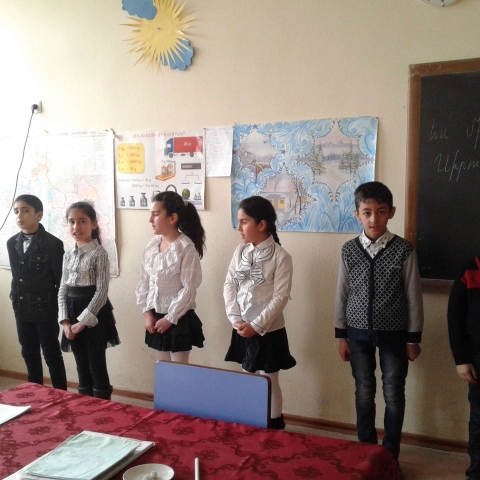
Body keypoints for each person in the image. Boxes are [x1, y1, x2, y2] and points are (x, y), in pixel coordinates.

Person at [334, 181, 424, 459]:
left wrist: (413, 339)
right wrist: (341, 336)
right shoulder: (349, 250)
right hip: (357, 335)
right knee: (364, 392)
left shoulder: (403, 250)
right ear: (357, 214)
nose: (374, 219)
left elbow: (413, 296)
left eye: (381, 212)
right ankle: (367, 452)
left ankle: (389, 455)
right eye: (367, 212)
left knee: (393, 393)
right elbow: (342, 293)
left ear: (391, 212)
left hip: (394, 335)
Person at [224, 195, 296, 430]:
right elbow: (230, 284)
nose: (239, 228)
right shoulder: (240, 251)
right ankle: (251, 421)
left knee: (269, 378)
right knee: (247, 376)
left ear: (262, 224)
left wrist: (256, 326)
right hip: (242, 326)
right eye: (238, 221)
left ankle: (274, 424)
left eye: (244, 221)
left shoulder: (281, 257)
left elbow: (280, 298)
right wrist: (235, 318)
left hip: (268, 330)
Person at [58, 201, 119, 399]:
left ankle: (102, 407)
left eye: (82, 221)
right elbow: (63, 289)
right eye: (72, 221)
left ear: (93, 224)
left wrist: (82, 322)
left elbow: (101, 292)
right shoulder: (68, 255)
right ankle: (84, 407)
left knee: (96, 365)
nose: (76, 227)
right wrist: (65, 322)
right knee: (81, 366)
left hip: (94, 314)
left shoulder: (99, 253)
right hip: (71, 312)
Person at [136, 191, 205, 364]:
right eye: (150, 214)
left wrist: (170, 318)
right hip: (156, 316)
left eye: (155, 214)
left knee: (179, 372)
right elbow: (144, 282)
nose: (150, 220)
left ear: (172, 218)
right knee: (163, 368)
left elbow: (189, 290)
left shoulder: (185, 248)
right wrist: (147, 313)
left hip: (178, 318)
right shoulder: (152, 246)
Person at [7, 194, 67, 390]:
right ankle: (35, 392)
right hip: (22, 307)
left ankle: (61, 393)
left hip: (45, 308)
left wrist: (61, 310)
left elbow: (60, 281)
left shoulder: (53, 244)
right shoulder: (12, 242)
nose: (19, 216)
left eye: (25, 211)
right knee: (28, 352)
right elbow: (17, 276)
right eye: (16, 211)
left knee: (51, 352)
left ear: (39, 215)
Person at [448, 256, 480, 480]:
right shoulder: (470, 268)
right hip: (477, 357)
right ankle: (476, 472)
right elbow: (455, 317)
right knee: (479, 417)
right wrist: (461, 359)